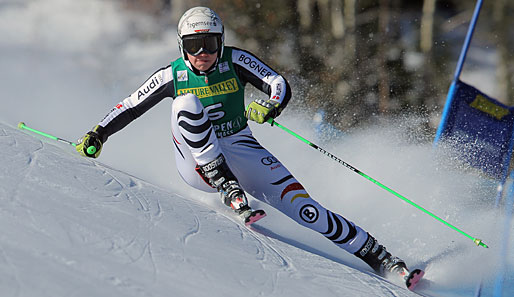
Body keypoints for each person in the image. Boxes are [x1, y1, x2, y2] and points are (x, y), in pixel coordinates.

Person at [76, 6, 410, 278]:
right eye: (194, 45)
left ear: (221, 42)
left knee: (306, 209)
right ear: (182, 46)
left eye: (210, 43)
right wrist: (98, 134)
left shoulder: (234, 61)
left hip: (239, 146)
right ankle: (227, 187)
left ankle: (381, 257)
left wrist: (271, 105)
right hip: (195, 164)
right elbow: (130, 105)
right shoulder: (171, 76)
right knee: (186, 104)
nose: (203, 53)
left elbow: (276, 82)